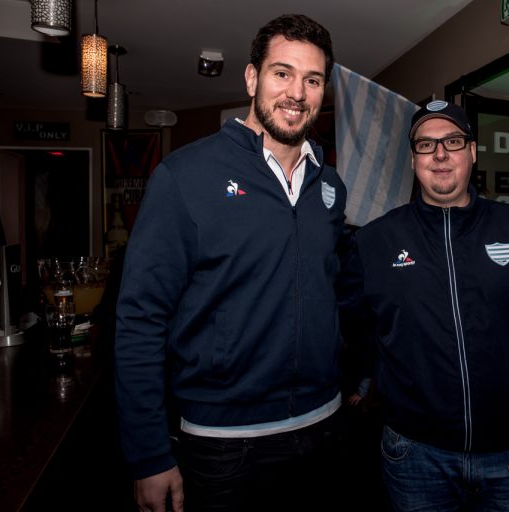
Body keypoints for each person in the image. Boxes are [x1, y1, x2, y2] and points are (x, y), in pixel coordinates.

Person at [114, 14, 348, 512]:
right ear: (251, 78)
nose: (296, 92)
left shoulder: (330, 186)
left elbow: (329, 288)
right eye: (282, 73)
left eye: (312, 80)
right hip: (222, 443)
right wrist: (148, 454)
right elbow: (140, 319)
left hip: (323, 426)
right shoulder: (184, 177)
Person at [338, 100, 509, 511]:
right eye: (426, 144)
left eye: (452, 141)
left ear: (472, 151)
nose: (439, 154)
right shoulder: (374, 243)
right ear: (413, 157)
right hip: (416, 457)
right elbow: (349, 328)